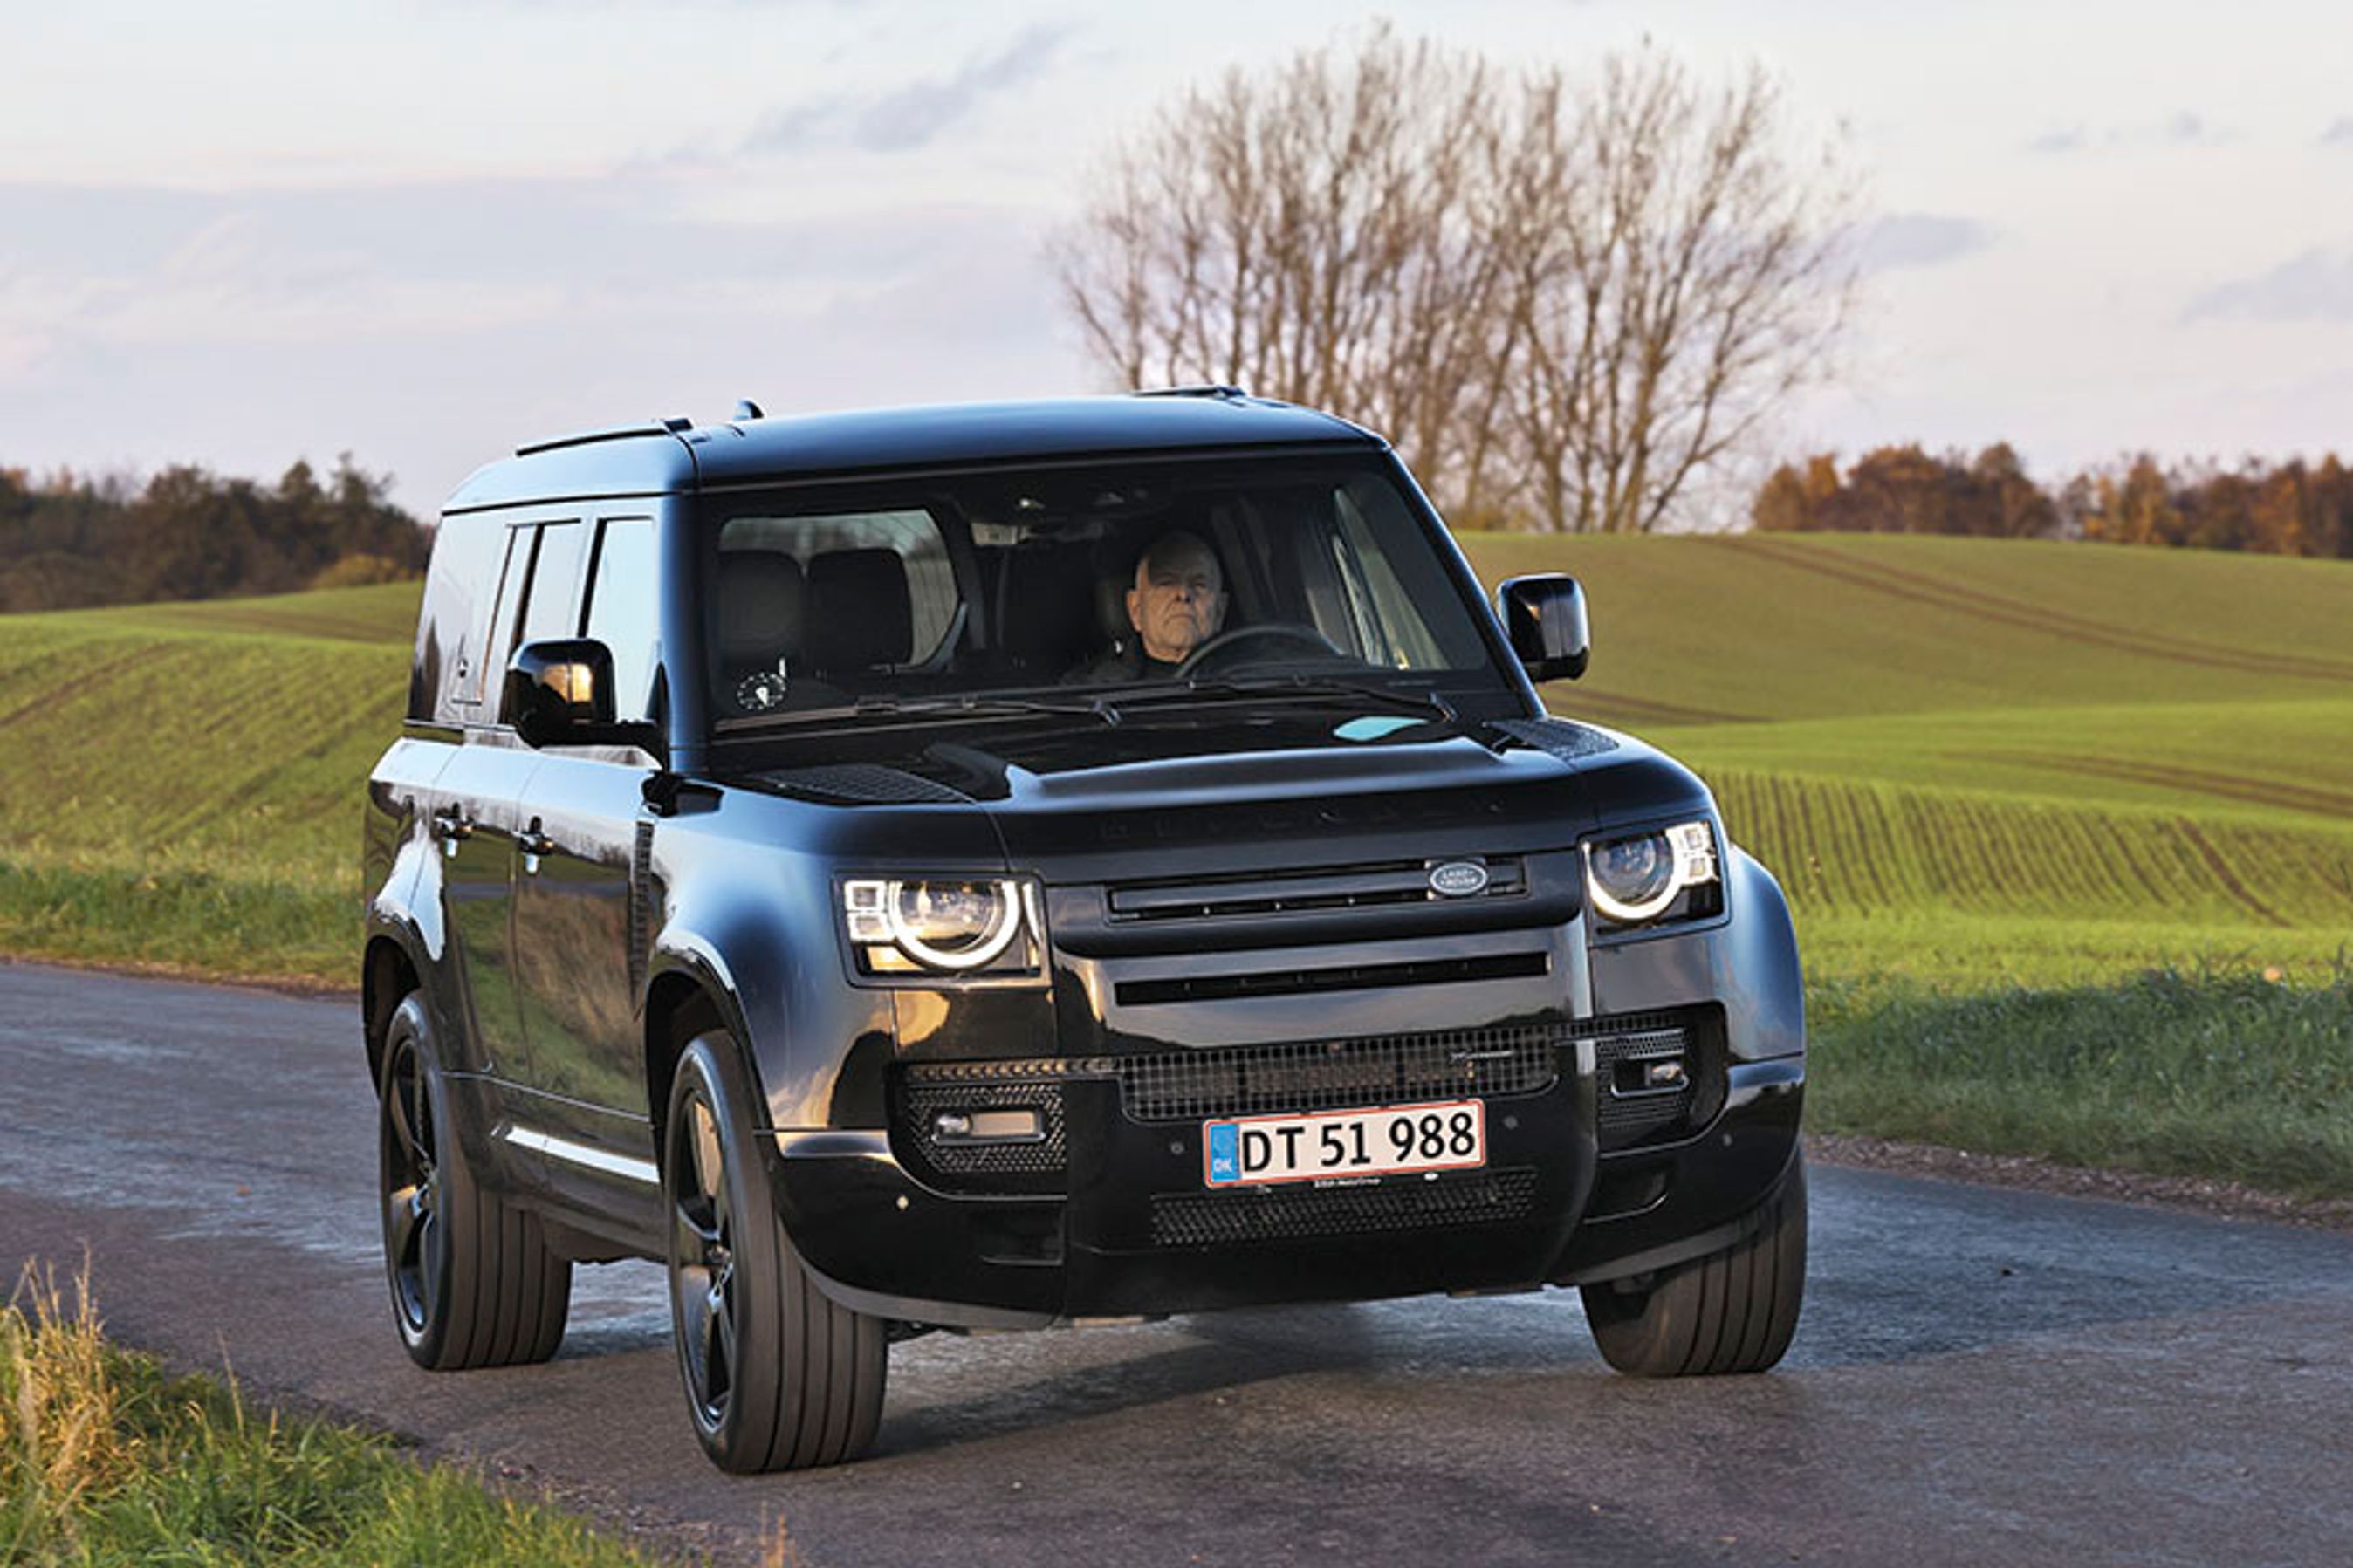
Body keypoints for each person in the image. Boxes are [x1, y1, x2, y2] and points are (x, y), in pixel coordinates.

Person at [1065, 530, 1228, 683]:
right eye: (1166, 583)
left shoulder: (1241, 676)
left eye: (1199, 585)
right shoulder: (1089, 688)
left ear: (1220, 610)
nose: (1183, 594)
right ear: (1135, 608)